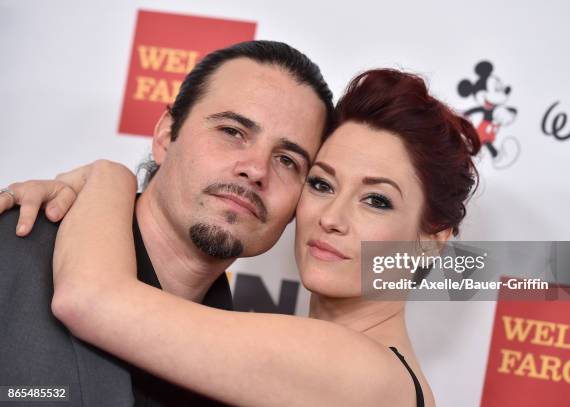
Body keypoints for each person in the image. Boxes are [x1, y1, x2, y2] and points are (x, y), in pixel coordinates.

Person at [3, 68, 481, 406]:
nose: (332, 217)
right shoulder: (250, 338)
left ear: (433, 240)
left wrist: (107, 176)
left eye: (377, 200)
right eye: (321, 183)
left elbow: (91, 298)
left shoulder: (361, 370)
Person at [0, 40, 333, 407]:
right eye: (232, 131)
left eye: (287, 160)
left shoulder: (253, 378)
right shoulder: (13, 244)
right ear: (164, 134)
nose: (255, 169)